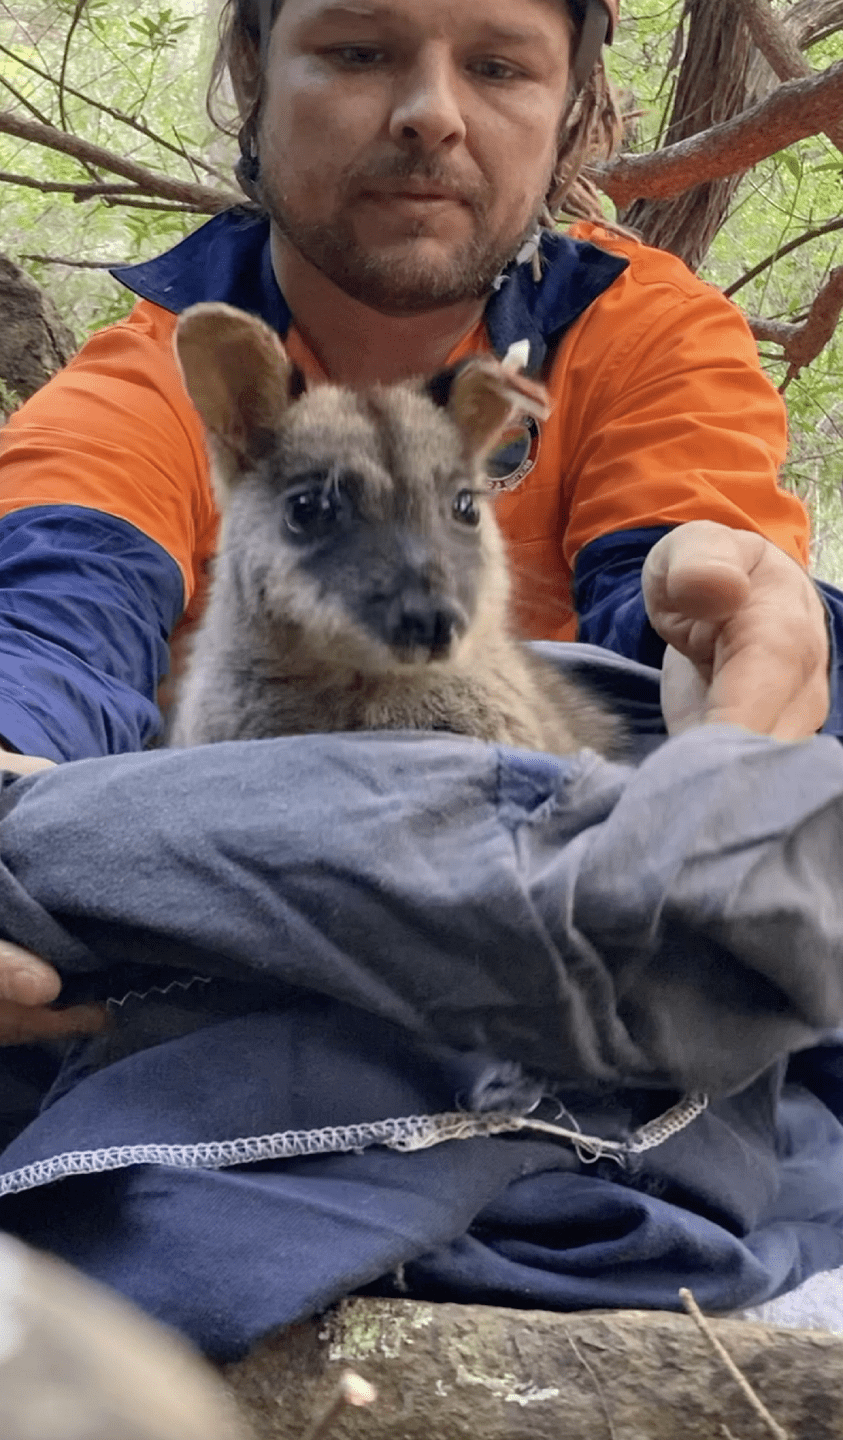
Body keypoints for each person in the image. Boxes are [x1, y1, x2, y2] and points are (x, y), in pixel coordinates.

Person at [0, 0, 841, 1352]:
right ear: (254, 83)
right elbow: (55, 611)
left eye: (497, 65)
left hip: (553, 900)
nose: (431, 113)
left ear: (567, 112)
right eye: (357, 51)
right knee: (59, 825)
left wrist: (720, 614)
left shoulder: (637, 334)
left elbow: (667, 589)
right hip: (251, 905)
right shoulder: (161, 379)